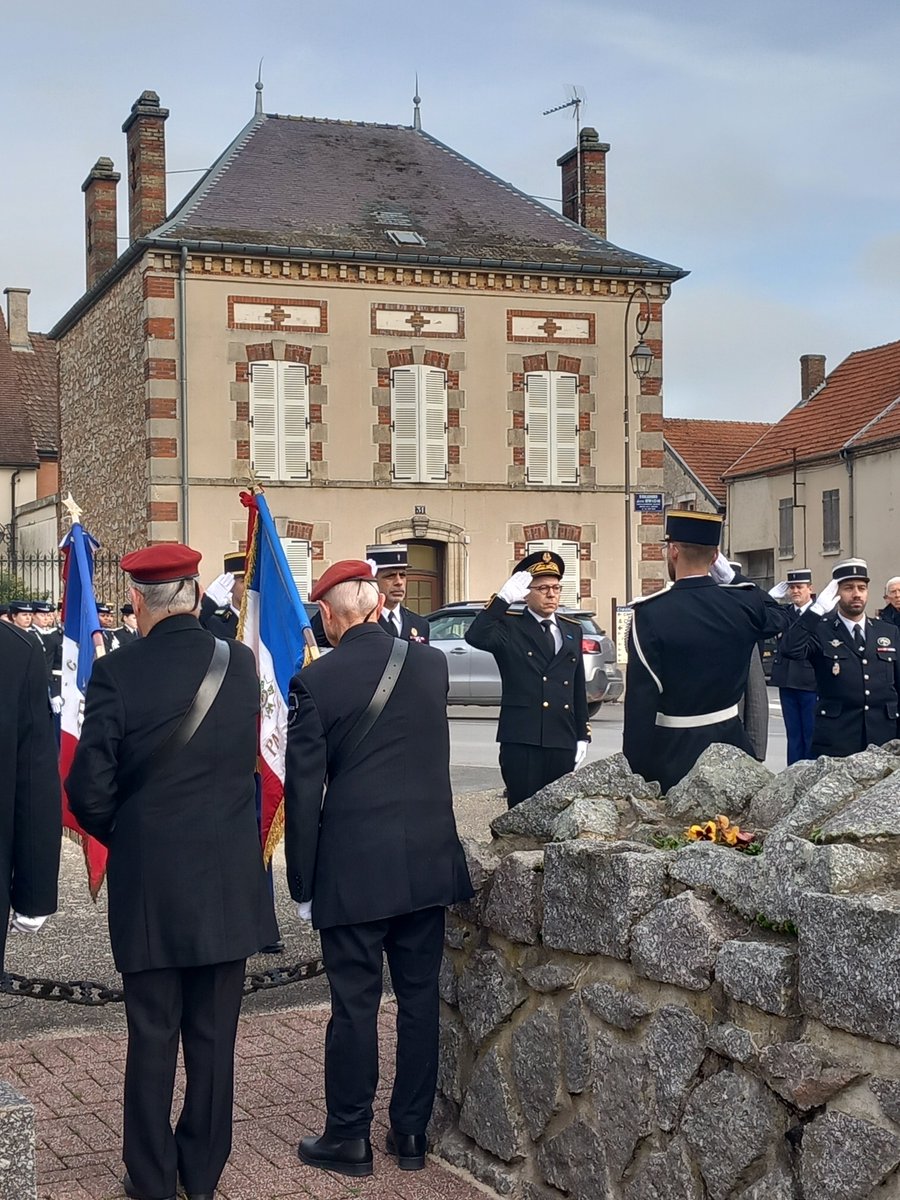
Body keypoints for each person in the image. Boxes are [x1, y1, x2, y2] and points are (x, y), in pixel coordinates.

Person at [66, 543, 278, 1200]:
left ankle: (153, 1177)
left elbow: (87, 790)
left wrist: (132, 840)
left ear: (138, 600)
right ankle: (203, 1171)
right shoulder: (240, 665)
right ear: (191, 593)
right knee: (214, 1039)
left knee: (152, 1036)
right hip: (226, 884)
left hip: (151, 887)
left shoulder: (117, 674)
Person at [284, 559, 472, 1178]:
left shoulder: (319, 682)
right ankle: (411, 1132)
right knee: (419, 1001)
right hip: (426, 858)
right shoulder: (432, 664)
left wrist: (303, 883)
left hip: (356, 867)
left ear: (333, 617)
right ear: (376, 607)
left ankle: (349, 1137)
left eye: (323, 617)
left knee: (355, 1005)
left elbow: (304, 793)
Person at [623, 511, 788, 794]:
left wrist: (634, 771)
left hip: (671, 752)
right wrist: (735, 578)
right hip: (731, 746)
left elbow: (641, 704)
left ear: (673, 551)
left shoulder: (650, 613)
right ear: (715, 558)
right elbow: (779, 615)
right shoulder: (743, 603)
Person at [465, 550, 590, 808]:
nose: (551, 594)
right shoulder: (509, 627)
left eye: (556, 587)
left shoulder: (571, 630)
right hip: (523, 738)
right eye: (542, 588)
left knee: (559, 816)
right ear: (526, 592)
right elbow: (475, 636)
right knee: (521, 815)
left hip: (561, 736)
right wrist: (501, 601)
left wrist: (582, 734)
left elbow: (576, 686)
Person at [780, 559, 900, 758]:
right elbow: (790, 649)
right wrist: (816, 611)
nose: (856, 594)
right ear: (836, 592)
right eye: (848, 588)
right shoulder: (821, 629)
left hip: (883, 739)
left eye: (862, 588)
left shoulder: (887, 631)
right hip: (836, 739)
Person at [0, 620, 61, 973]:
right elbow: (34, 782)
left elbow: (33, 780)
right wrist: (33, 894)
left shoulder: (18, 651)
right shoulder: (16, 651)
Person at [768, 568, 818, 764]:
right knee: (793, 734)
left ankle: (808, 771)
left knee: (810, 732)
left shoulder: (819, 614)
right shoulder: (785, 613)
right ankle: (793, 773)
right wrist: (769, 599)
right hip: (786, 679)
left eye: (799, 587)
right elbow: (764, 620)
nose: (795, 591)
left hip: (809, 681)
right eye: (792, 588)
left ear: (809, 589)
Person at [367, 544, 429, 643]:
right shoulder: (363, 622)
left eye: (402, 575)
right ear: (373, 580)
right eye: (390, 576)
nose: (399, 582)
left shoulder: (420, 624)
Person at [199, 551, 245, 639]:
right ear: (230, 585)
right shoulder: (215, 622)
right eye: (243, 581)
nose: (250, 587)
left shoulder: (268, 623)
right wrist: (208, 603)